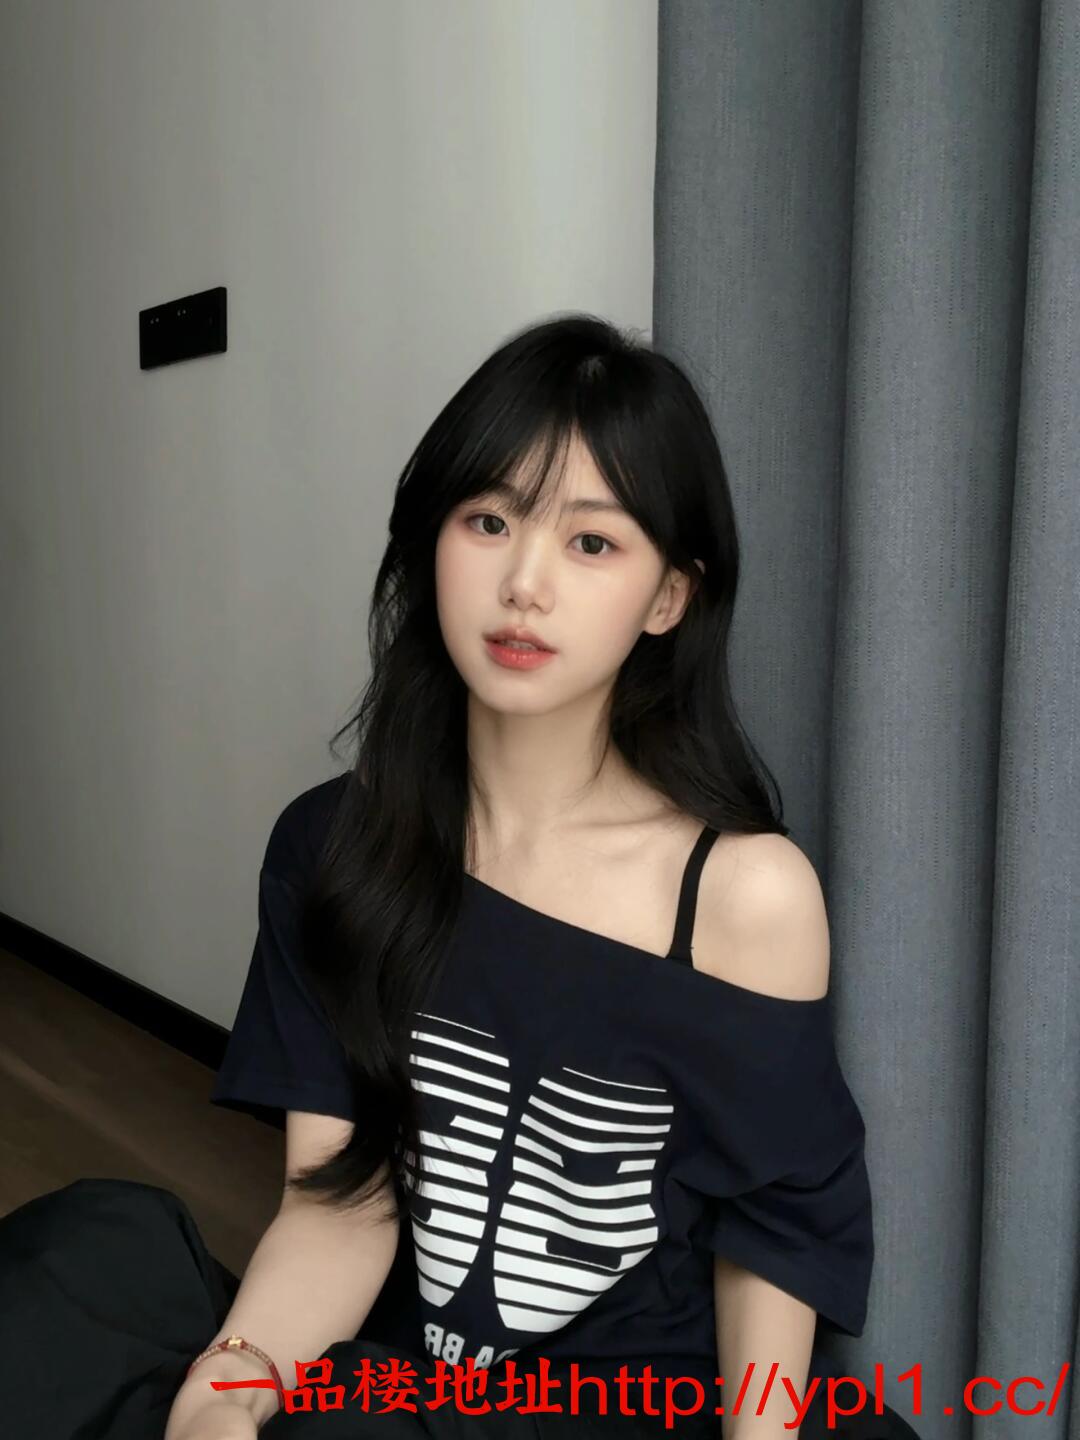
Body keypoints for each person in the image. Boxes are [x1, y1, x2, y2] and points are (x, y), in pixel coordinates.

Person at [0, 315, 921, 1440]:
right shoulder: (332, 846)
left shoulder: (743, 895)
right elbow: (339, 1206)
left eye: (593, 543)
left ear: (668, 598)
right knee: (70, 1269)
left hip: (636, 1410)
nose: (524, 583)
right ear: (431, 541)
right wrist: (227, 1392)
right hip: (410, 1397)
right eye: (489, 521)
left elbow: (774, 1236)